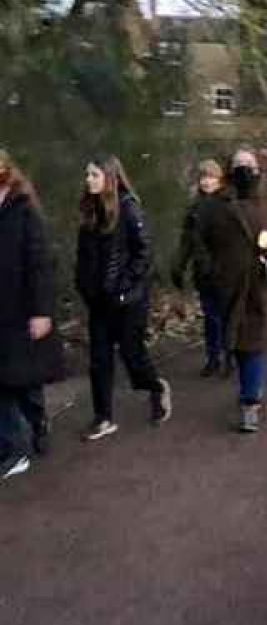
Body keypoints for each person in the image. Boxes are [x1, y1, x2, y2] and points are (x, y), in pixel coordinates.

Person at [198, 146, 267, 432]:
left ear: (258, 168)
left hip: (262, 284)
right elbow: (201, 239)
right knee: (238, 344)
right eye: (237, 163)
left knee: (253, 343)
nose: (243, 168)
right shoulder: (218, 203)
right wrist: (211, 270)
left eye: (248, 163)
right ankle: (248, 391)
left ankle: (250, 403)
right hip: (229, 284)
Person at [75, 155, 172, 441]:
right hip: (99, 303)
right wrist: (84, 285)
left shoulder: (129, 209)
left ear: (108, 176)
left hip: (128, 301)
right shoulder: (90, 211)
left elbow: (144, 254)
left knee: (133, 357)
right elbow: (83, 257)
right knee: (99, 361)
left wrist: (123, 287)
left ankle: (155, 387)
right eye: (87, 175)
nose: (88, 180)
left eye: (94, 174)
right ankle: (103, 417)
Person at [0, 150, 62, 478]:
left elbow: (39, 264)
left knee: (21, 380)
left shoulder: (23, 211)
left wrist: (41, 312)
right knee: (7, 381)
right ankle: (13, 443)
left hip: (20, 309)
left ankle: (29, 432)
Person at [172, 158, 227, 376]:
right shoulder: (194, 208)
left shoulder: (227, 204)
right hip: (203, 270)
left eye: (210, 177)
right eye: (203, 177)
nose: (206, 182)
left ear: (219, 180)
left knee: (224, 316)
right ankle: (213, 357)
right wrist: (179, 265)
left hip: (224, 270)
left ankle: (228, 355)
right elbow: (187, 240)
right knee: (211, 316)